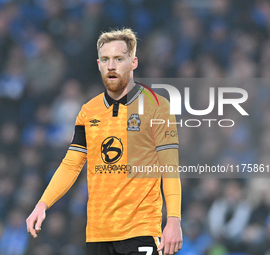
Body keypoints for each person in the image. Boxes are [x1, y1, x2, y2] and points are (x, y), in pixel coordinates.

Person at [26, 28, 183, 255]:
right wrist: (43, 203)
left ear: (133, 63)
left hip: (140, 230)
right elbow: (72, 163)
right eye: (105, 59)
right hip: (98, 234)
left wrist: (174, 220)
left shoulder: (157, 107)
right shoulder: (89, 111)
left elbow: (170, 167)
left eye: (119, 59)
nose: (111, 66)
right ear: (98, 64)